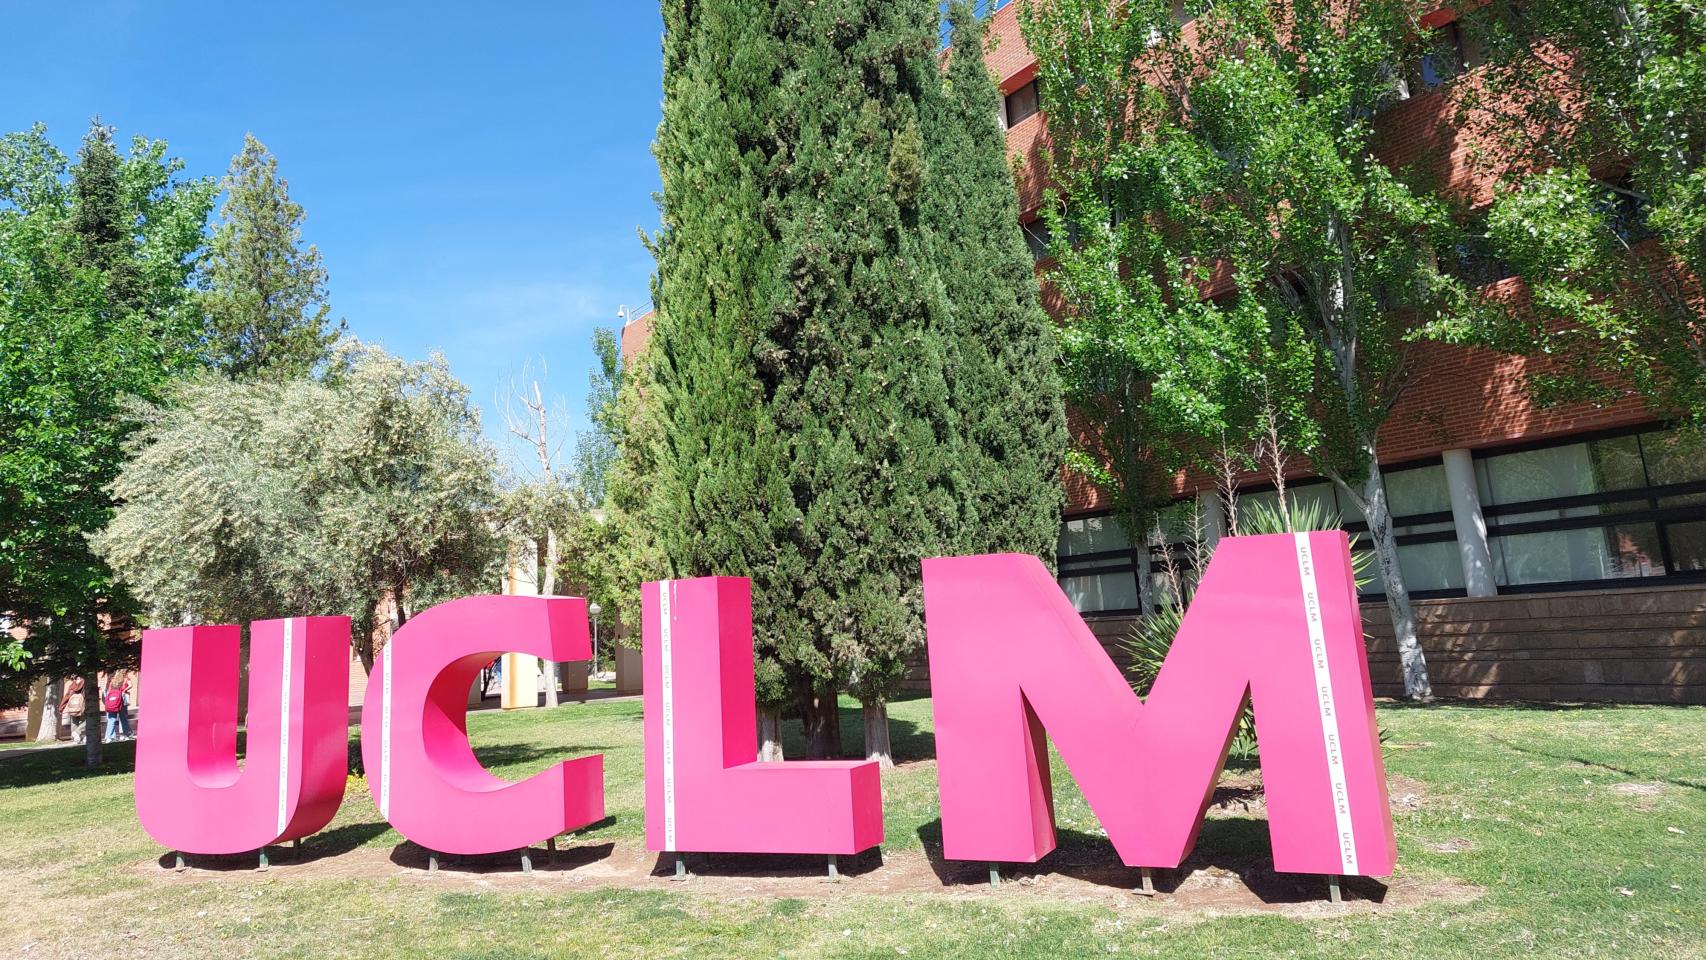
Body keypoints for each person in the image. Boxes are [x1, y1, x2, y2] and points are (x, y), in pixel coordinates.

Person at [102, 670, 133, 741]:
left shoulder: (112, 682)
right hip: (121, 702)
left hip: (112, 703)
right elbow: (131, 685)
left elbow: (108, 692)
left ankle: (108, 737)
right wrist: (124, 691)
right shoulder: (125, 679)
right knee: (123, 719)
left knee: (111, 719)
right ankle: (127, 734)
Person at [59, 676, 86, 744]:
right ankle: (77, 732)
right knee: (86, 721)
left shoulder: (72, 686)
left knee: (74, 722)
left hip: (72, 708)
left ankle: (75, 739)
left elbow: (67, 696)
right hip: (82, 707)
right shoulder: (85, 684)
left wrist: (61, 708)